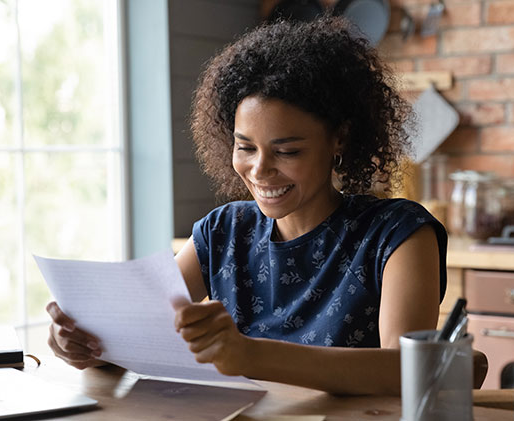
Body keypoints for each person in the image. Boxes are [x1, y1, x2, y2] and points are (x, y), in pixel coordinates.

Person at [45, 16, 447, 396]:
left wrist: (251, 355)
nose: (260, 170)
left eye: (286, 151)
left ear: (339, 140)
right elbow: (136, 337)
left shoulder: (398, 234)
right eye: (245, 147)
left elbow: (405, 370)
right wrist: (86, 346)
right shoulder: (223, 232)